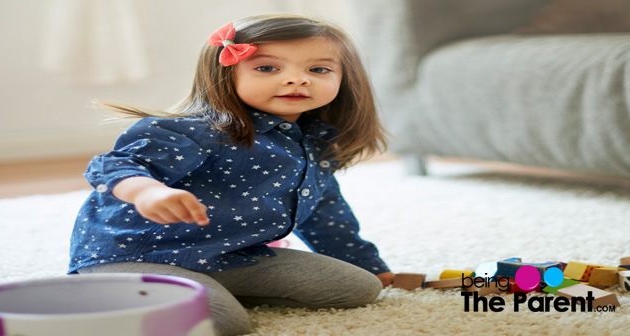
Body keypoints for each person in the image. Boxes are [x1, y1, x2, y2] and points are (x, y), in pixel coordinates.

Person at [69, 14, 394, 336]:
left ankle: (206, 290)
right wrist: (147, 192)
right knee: (223, 324)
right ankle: (106, 287)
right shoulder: (197, 129)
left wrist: (368, 264)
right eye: (268, 68)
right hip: (141, 254)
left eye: (318, 69)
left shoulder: (313, 141)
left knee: (358, 288)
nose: (297, 79)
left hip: (229, 255)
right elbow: (115, 164)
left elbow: (326, 213)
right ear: (227, 73)